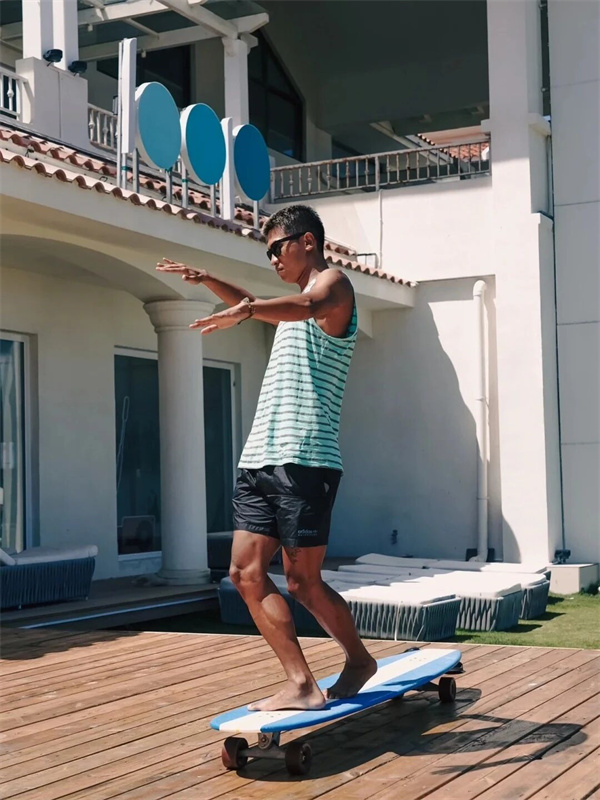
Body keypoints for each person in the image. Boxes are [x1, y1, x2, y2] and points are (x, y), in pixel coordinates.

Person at [157, 204, 377, 711]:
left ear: (307, 242)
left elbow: (302, 306)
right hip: (260, 458)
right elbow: (259, 304)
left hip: (306, 459)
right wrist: (210, 280)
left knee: (303, 583)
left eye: (278, 248)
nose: (273, 258)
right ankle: (302, 683)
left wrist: (247, 310)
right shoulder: (292, 306)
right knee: (244, 573)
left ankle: (359, 660)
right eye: (268, 252)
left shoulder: (333, 287)